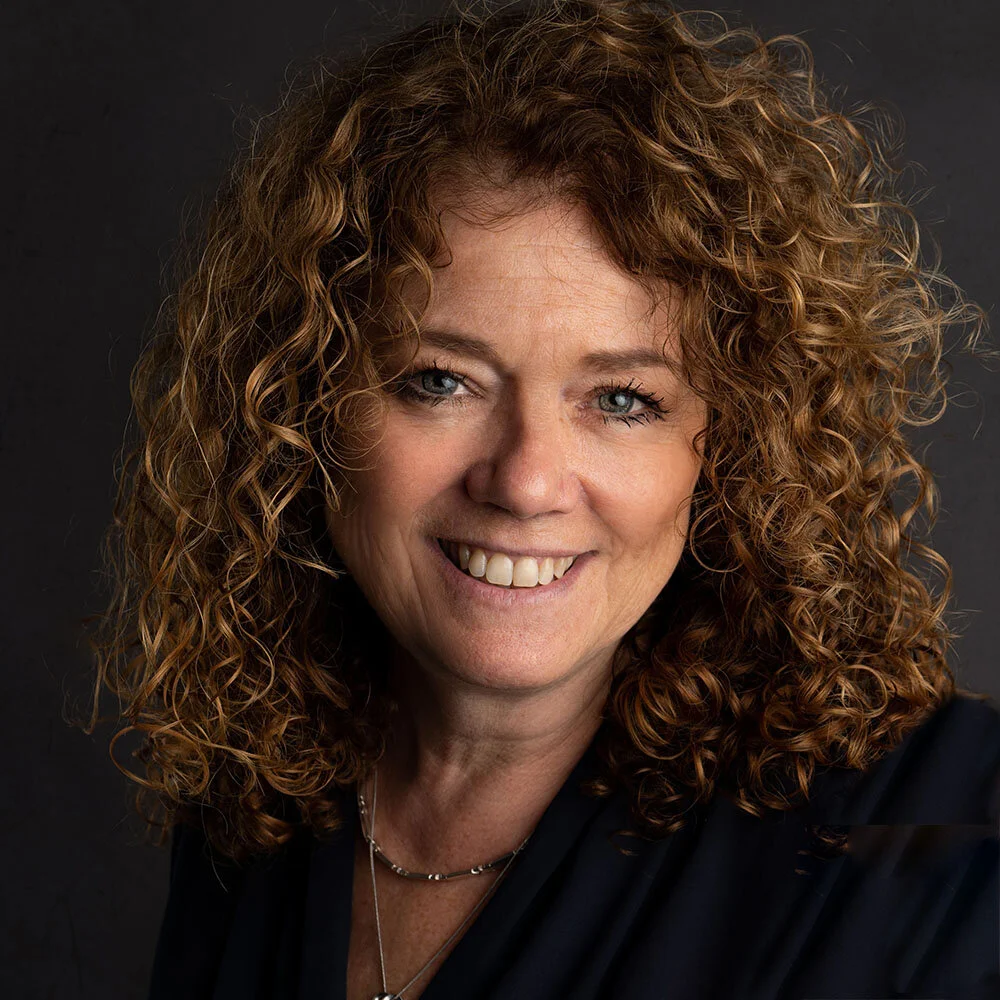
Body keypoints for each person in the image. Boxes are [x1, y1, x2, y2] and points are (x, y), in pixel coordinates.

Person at [81, 0, 1000, 997]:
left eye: (621, 399)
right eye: (440, 381)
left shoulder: (946, 845)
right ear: (302, 409)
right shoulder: (252, 817)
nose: (524, 481)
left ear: (734, 447)